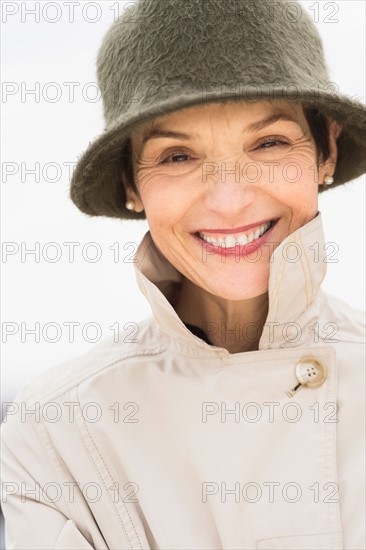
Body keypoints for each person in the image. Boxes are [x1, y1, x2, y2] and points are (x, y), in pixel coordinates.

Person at [1, 0, 365, 548]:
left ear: (325, 149)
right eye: (176, 156)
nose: (229, 200)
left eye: (268, 143)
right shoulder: (55, 432)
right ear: (130, 182)